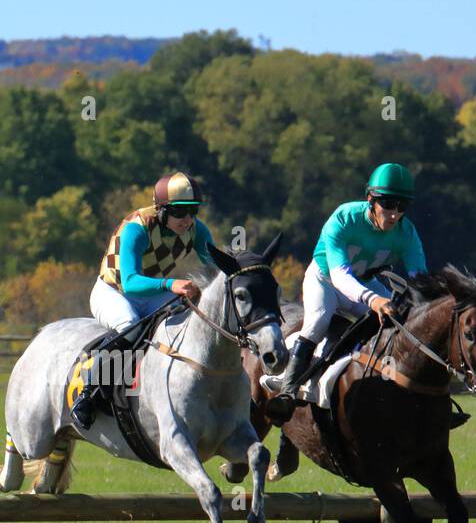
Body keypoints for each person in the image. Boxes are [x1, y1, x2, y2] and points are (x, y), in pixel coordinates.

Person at [260, 162, 427, 397]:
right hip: (325, 280)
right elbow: (340, 276)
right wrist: (374, 300)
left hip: (364, 283)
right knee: (318, 323)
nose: (394, 214)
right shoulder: (344, 218)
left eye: (402, 207)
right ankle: (288, 389)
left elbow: (421, 282)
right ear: (370, 199)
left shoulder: (407, 233)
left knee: (401, 325)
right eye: (388, 204)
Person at [75, 172, 220, 429]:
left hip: (151, 294)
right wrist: (171, 284)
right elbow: (130, 282)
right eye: (179, 211)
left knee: (191, 317)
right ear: (161, 209)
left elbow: (219, 269)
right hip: (113, 292)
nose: (187, 219)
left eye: (193, 211)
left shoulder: (198, 231)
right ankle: (88, 393)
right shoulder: (136, 228)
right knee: (130, 325)